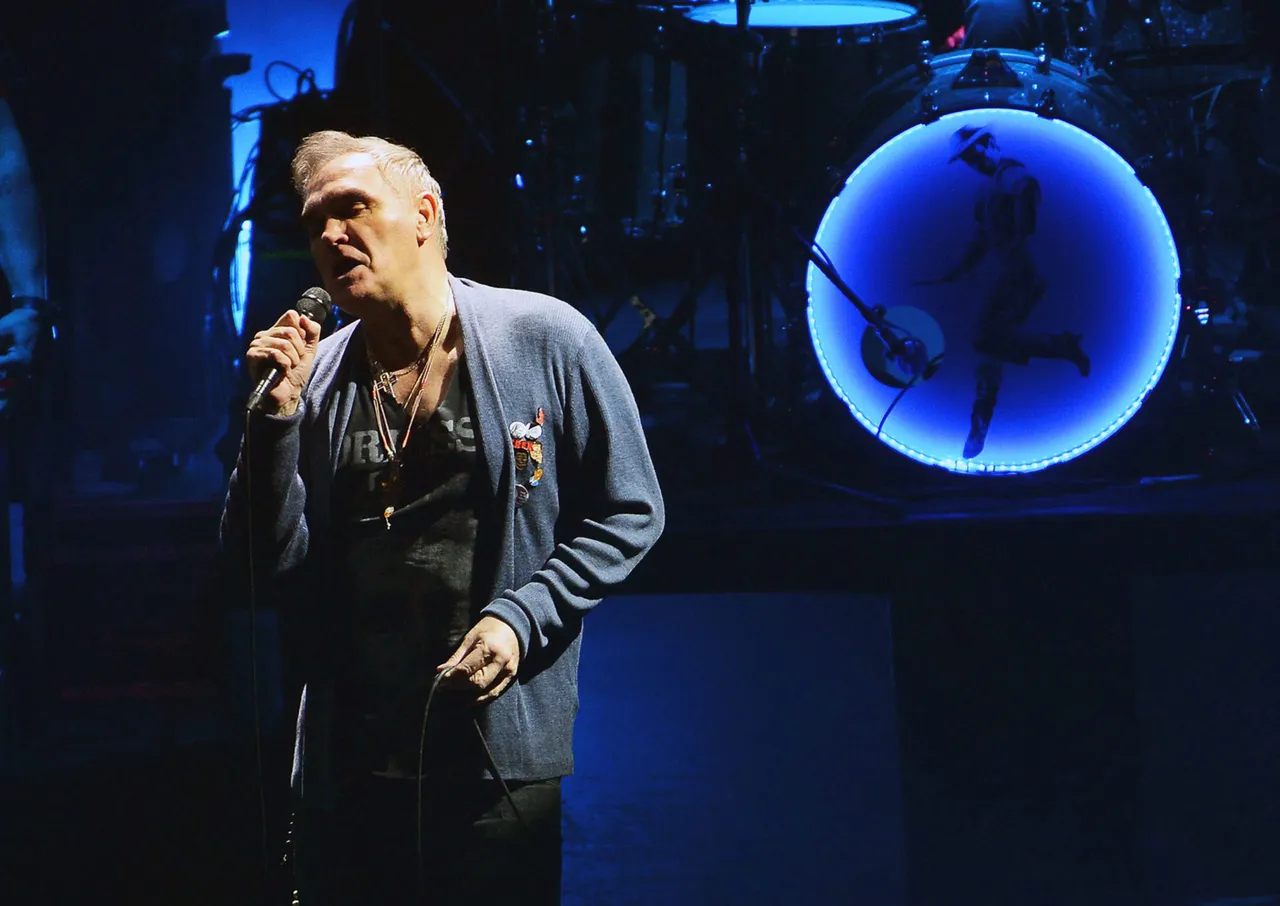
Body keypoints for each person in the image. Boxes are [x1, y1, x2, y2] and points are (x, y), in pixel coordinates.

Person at [219, 130, 666, 904]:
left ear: (424, 214)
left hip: (492, 769)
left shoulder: (543, 337)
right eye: (313, 223)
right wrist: (274, 425)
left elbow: (633, 510)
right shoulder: (314, 378)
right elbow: (260, 567)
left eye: (351, 208)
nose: (329, 235)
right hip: (350, 773)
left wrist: (525, 617)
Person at [917, 126, 1090, 460]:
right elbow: (981, 237)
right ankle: (981, 420)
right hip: (1011, 274)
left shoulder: (1009, 172)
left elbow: (1025, 189)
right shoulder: (986, 187)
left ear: (991, 144)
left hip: (1021, 275)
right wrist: (959, 269)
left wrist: (1019, 234)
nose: (973, 161)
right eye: (967, 158)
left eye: (975, 153)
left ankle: (1060, 346)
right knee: (990, 347)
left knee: (986, 339)